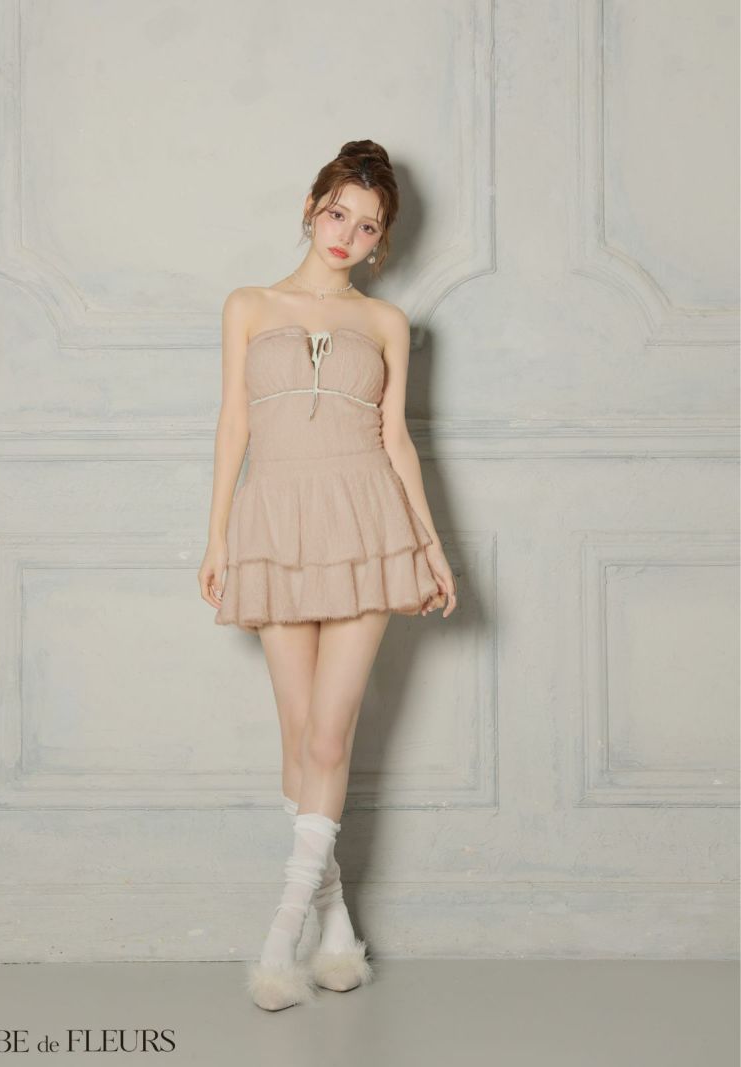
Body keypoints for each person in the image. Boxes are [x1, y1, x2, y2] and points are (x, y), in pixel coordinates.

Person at [198, 140, 457, 1010]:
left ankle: (281, 939)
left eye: (369, 225)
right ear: (312, 208)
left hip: (367, 523)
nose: (348, 233)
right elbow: (233, 424)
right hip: (274, 523)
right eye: (339, 212)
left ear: (382, 241)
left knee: (329, 739)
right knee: (297, 732)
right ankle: (338, 930)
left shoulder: (386, 324)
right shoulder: (248, 304)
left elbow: (397, 439)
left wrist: (431, 545)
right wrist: (217, 537)